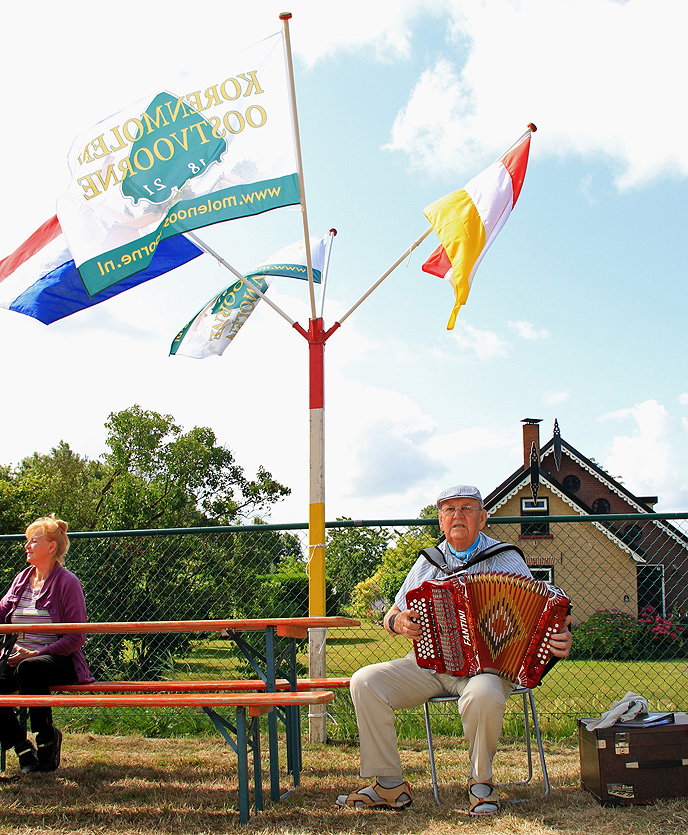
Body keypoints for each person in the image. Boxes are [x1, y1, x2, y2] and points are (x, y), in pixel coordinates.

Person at [336, 484, 572, 816]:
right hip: (431, 665)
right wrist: (398, 622)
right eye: (449, 510)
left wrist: (560, 637)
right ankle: (388, 786)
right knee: (365, 681)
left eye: (466, 508)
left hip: (486, 670)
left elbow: (543, 613)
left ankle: (481, 783)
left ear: (482, 518)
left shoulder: (505, 558)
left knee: (484, 694)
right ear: (441, 521)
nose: (457, 515)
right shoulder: (428, 561)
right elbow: (391, 614)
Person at [0, 514, 93, 774]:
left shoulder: (68, 582)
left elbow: (76, 637)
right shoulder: (21, 579)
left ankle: (47, 741)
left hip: (57, 659)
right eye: (27, 541)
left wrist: (36, 653)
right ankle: (21, 746)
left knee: (30, 667)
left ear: (51, 547)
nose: (26, 546)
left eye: (33, 541)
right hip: (15, 657)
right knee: (18, 669)